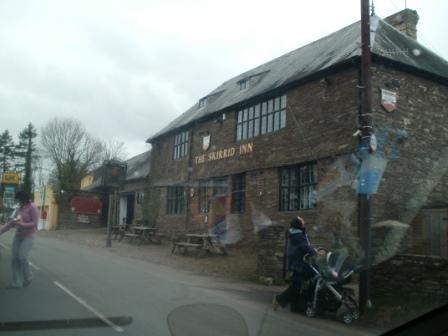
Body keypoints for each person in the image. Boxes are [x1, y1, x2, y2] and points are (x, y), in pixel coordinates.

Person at [273, 216, 316, 311]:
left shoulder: (298, 234)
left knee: (299, 285)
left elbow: (305, 246)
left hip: (299, 264)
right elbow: (305, 247)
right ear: (298, 224)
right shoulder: (298, 236)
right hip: (299, 265)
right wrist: (314, 252)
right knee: (298, 286)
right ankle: (279, 300)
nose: (304, 221)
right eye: (302, 220)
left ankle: (295, 306)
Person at [0, 191, 39, 288]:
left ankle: (28, 276)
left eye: (20, 199)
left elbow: (34, 223)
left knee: (22, 257)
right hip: (18, 236)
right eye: (18, 200)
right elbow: (11, 223)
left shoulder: (32, 208)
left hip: (28, 236)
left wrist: (23, 224)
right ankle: (16, 282)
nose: (18, 201)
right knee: (14, 259)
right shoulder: (19, 209)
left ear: (25, 199)